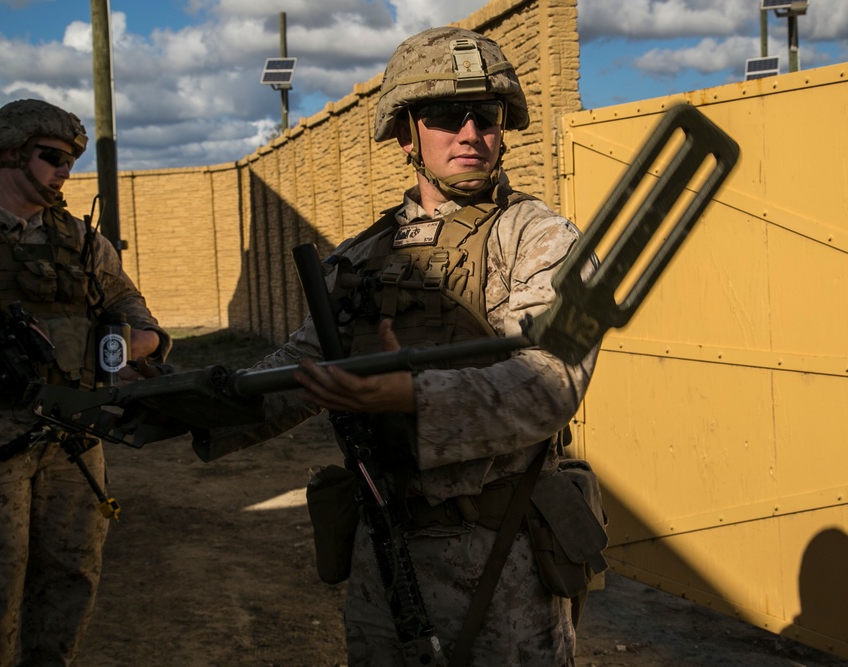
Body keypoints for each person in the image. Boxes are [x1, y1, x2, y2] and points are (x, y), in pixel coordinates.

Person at [192, 26, 601, 665]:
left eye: (485, 115)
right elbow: (297, 368)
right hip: (386, 549)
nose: (469, 132)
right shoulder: (360, 256)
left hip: (502, 555)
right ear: (406, 132)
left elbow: (549, 382)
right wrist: (184, 403)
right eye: (442, 114)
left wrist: (408, 393)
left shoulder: (544, 240)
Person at [0, 99, 171, 666]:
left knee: (71, 571)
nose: (65, 168)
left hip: (73, 433)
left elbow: (131, 306)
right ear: (10, 152)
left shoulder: (82, 242)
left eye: (71, 158)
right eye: (52, 156)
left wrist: (143, 341)